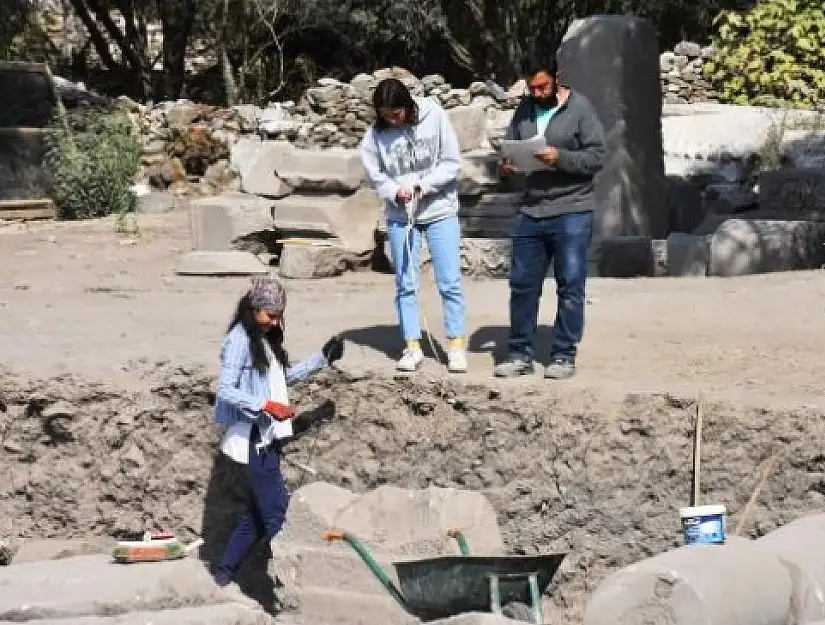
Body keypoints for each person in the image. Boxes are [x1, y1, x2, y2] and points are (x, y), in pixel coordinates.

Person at [211, 277, 344, 587]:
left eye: (278, 316)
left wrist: (322, 358)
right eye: (270, 316)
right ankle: (280, 580)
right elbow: (225, 390)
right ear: (254, 309)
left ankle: (224, 575)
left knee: (257, 517)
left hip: (267, 436)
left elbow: (282, 379)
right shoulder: (239, 340)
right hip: (253, 438)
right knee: (278, 517)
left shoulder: (263, 339)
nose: (274, 322)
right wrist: (267, 406)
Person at [493, 61, 606, 380]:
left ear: (557, 79)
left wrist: (561, 158)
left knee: (570, 284)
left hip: (572, 208)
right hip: (531, 209)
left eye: (542, 86)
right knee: (522, 285)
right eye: (532, 88)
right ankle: (519, 353)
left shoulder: (581, 108)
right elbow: (510, 151)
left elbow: (598, 156)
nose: (537, 93)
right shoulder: (524, 110)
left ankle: (563, 355)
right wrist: (507, 168)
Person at [360, 78, 468, 373]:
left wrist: (423, 186)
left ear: (408, 106)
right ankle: (412, 345)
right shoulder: (375, 136)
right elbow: (374, 174)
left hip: (439, 210)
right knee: (406, 283)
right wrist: (394, 191)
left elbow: (451, 162)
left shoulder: (435, 115)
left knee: (449, 281)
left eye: (397, 114)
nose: (392, 121)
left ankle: (456, 345)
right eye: (385, 116)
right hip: (401, 217)